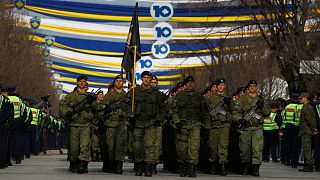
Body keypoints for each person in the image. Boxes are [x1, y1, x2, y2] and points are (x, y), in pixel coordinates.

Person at [128, 71, 166, 177]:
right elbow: (126, 104)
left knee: (150, 145)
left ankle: (149, 167)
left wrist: (159, 118)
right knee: (137, 146)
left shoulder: (156, 93)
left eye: (148, 77)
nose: (146, 79)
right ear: (141, 79)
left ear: (150, 79)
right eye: (144, 77)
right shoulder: (135, 91)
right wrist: (129, 115)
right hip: (137, 122)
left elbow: (163, 107)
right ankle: (139, 166)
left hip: (151, 122)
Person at [172, 76, 210, 177]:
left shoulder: (200, 97)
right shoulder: (179, 96)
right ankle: (183, 166)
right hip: (182, 125)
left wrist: (207, 126)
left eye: (192, 83)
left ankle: (192, 167)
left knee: (194, 146)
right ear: (185, 85)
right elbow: (174, 111)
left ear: (194, 84)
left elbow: (205, 112)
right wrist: (177, 121)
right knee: (182, 148)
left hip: (195, 124)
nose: (190, 85)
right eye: (188, 83)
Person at [233, 80, 271, 176]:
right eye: (251, 86)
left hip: (257, 128)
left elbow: (267, 113)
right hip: (246, 128)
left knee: (257, 149)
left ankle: (255, 168)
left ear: (256, 87)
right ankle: (246, 166)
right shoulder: (243, 99)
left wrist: (262, 107)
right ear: (248, 87)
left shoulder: (261, 100)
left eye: (254, 86)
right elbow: (235, 112)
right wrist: (240, 120)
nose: (252, 87)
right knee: (244, 149)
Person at [59, 75, 96, 174]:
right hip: (74, 124)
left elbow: (97, 108)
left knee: (85, 146)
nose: (82, 83)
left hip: (86, 124)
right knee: (74, 147)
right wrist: (67, 113)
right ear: (77, 83)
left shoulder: (90, 96)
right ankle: (74, 164)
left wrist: (93, 102)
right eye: (80, 81)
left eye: (84, 81)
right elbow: (62, 106)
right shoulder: (71, 96)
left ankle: (83, 165)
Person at [101, 75, 129, 174]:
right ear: (114, 83)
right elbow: (103, 108)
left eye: (120, 81)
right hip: (110, 123)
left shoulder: (126, 95)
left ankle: (118, 165)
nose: (118, 83)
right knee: (111, 145)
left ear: (123, 83)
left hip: (122, 123)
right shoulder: (109, 95)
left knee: (120, 145)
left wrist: (125, 114)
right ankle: (111, 164)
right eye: (117, 81)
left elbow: (130, 109)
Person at [205, 78, 232, 176]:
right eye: (219, 85)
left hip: (224, 125)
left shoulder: (228, 97)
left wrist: (229, 104)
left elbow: (232, 111)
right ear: (216, 87)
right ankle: (213, 164)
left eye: (222, 85)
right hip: (213, 125)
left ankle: (222, 166)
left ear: (225, 86)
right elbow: (206, 112)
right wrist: (207, 125)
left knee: (223, 146)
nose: (221, 87)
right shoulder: (209, 97)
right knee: (213, 147)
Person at [298, 93, 318, 172]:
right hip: (305, 130)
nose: (300, 99)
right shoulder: (306, 107)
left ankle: (309, 165)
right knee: (306, 148)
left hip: (307, 131)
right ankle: (307, 164)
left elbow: (310, 120)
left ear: (306, 98)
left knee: (307, 149)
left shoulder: (307, 107)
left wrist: (313, 129)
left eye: (301, 98)